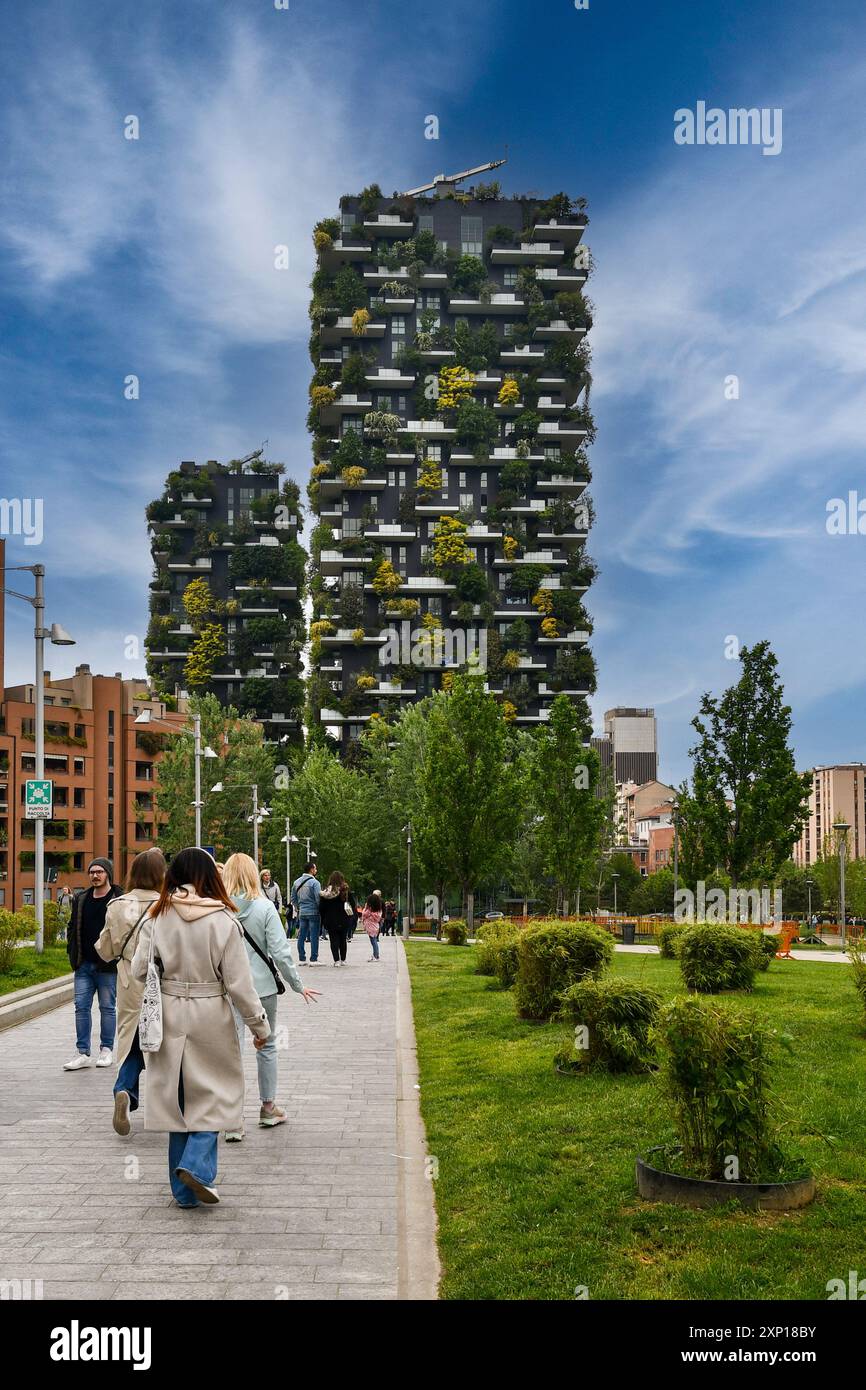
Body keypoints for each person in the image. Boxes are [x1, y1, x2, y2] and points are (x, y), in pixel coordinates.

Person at [130, 847, 270, 1209]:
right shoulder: (224, 921)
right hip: (211, 1012)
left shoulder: (156, 916)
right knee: (215, 1093)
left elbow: (138, 971)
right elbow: (240, 984)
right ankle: (196, 1167)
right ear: (211, 877)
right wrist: (260, 1027)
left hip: (168, 1012)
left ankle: (183, 1193)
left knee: (178, 1100)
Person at [221, 853, 320, 1141]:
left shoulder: (218, 909)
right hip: (261, 990)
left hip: (227, 990)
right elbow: (280, 953)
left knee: (230, 1051)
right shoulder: (265, 908)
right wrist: (298, 985)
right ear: (254, 874)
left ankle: (232, 1120)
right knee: (266, 1046)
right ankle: (267, 1108)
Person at [95, 847, 166, 1136]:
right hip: (162, 983)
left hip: (127, 981)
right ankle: (166, 1106)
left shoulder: (116, 904)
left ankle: (124, 1089)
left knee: (130, 1040)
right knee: (161, 1041)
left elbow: (105, 950)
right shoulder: (167, 904)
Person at [63, 858, 123, 1071]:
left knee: (107, 1007)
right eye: (91, 872)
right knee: (81, 1008)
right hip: (84, 965)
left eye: (99, 872)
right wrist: (72, 954)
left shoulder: (119, 898)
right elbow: (72, 927)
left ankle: (106, 1050)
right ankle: (82, 1053)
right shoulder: (81, 898)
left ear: (108, 873)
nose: (95, 875)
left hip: (108, 966)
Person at [319, 870, 353, 966]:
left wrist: (323, 918)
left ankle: (336, 960)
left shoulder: (326, 893)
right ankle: (343, 959)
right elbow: (353, 905)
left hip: (330, 919)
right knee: (343, 939)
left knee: (333, 940)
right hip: (344, 919)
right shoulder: (346, 891)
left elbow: (321, 907)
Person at [291, 860, 321, 965]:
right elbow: (318, 898)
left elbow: (293, 898)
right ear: (312, 870)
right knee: (314, 935)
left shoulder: (296, 882)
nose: (316, 870)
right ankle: (313, 958)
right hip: (314, 912)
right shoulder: (315, 883)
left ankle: (301, 958)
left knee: (302, 935)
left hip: (302, 912)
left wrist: (299, 908)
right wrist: (320, 909)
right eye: (315, 868)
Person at [361, 891, 384, 962]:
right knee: (374, 941)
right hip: (374, 926)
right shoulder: (378, 909)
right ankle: (375, 955)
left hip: (372, 927)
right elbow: (377, 917)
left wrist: (369, 911)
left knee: (374, 941)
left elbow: (364, 914)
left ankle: (376, 956)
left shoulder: (370, 909)